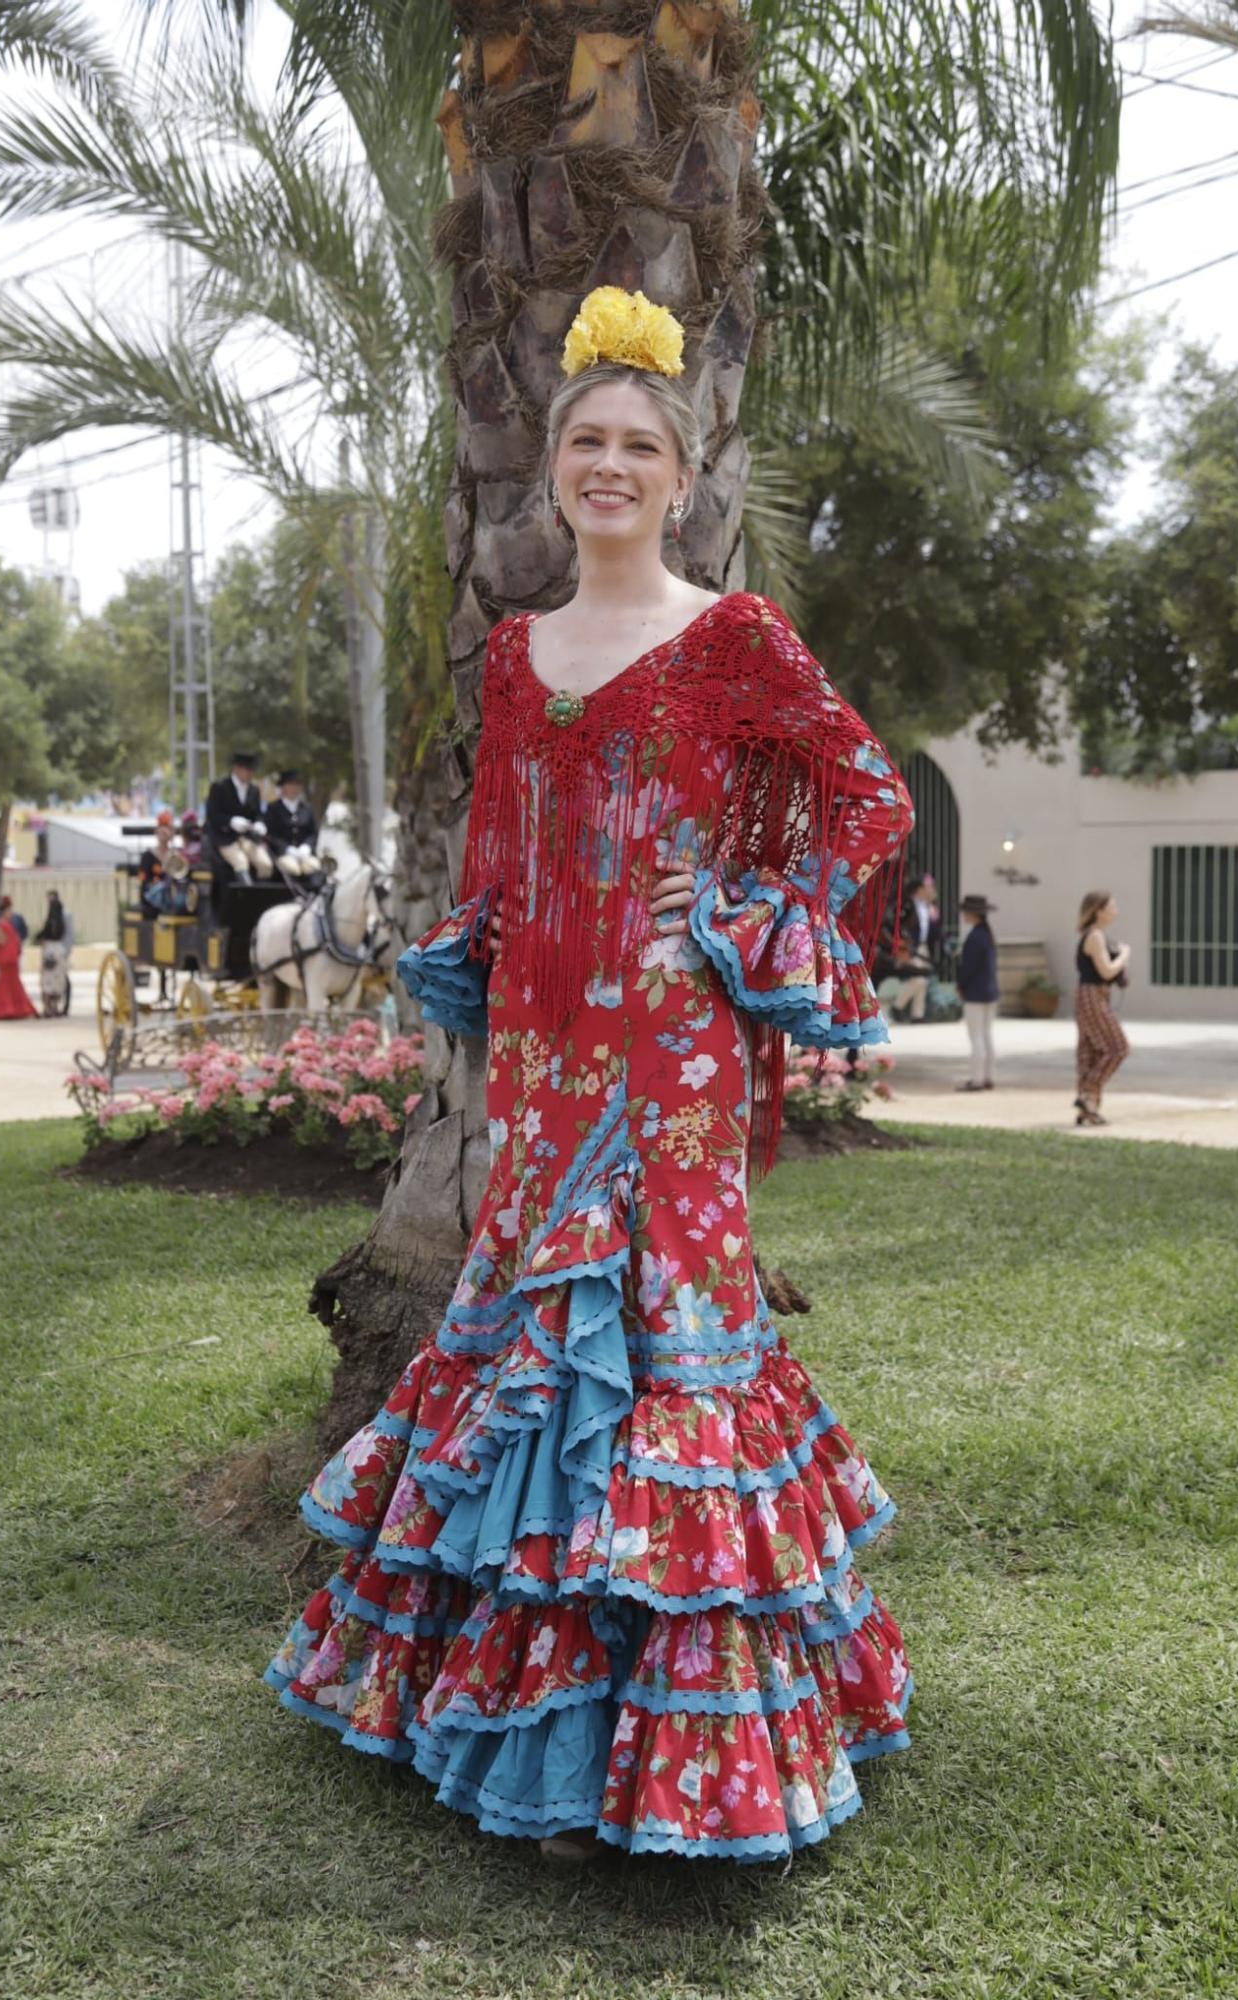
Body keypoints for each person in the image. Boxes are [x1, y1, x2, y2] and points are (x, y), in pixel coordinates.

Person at [265, 287, 916, 1866]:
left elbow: (868, 801)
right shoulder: (513, 655)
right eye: (587, 444)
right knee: (543, 1360)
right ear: (548, 470)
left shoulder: (733, 638)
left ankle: (674, 1756)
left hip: (672, 1062)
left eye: (640, 446)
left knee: (657, 1352)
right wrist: (473, 933)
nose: (610, 467)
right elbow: (507, 841)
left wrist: (746, 909)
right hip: (549, 1058)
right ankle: (542, 1738)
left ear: (683, 480)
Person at [1075, 889, 1130, 1126]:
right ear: (1099, 910)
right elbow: (1106, 970)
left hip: (1093, 995)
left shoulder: (1098, 936)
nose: (1115, 910)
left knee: (1091, 1051)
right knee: (1117, 1048)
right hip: (1092, 995)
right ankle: (1087, 1093)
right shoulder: (1095, 936)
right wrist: (1125, 956)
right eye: (1112, 906)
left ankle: (1089, 1108)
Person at [204, 752, 274, 888]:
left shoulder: (254, 789)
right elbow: (212, 815)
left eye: (252, 770)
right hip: (224, 838)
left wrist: (260, 823)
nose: (250, 774)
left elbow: (257, 813)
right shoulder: (219, 787)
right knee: (240, 861)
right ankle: (246, 896)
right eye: (247, 770)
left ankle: (262, 897)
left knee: (265, 863)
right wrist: (230, 821)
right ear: (236, 769)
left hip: (246, 837)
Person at [955, 893, 999, 1091]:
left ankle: (977, 1079)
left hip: (975, 992)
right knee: (987, 1035)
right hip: (989, 990)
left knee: (977, 1037)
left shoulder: (974, 937)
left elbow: (968, 967)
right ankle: (988, 1077)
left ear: (973, 914)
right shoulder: (986, 935)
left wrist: (961, 985)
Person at [891, 873, 942, 1022]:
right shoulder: (908, 904)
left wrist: (935, 916)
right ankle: (897, 1006)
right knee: (919, 978)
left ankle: (917, 1015)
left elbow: (936, 931)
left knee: (923, 980)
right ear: (919, 889)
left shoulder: (930, 907)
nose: (932, 890)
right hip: (910, 947)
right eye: (928, 887)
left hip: (924, 947)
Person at [0, 896, 37, 1019]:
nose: (11, 913)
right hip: (6, 960)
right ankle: (1, 1009)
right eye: (9, 911)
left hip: (12, 960)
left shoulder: (8, 924)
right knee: (4, 984)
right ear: (4, 911)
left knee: (13, 984)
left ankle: (15, 1009)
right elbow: (1, 941)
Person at [264, 770, 323, 888]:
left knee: (314, 868)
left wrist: (307, 847)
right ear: (283, 788)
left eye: (297, 785)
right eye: (290, 785)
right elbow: (271, 835)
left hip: (304, 853)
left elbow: (313, 833)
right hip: (283, 854)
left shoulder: (306, 808)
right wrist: (286, 848)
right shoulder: (273, 809)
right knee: (292, 869)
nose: (294, 788)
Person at [33, 891, 74, 1017]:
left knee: (48, 982)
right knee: (57, 981)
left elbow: (44, 935)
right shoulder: (61, 916)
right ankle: (54, 1008)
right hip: (59, 952)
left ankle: (49, 1008)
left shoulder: (57, 918)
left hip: (51, 951)